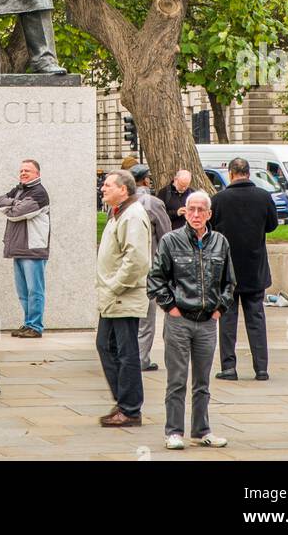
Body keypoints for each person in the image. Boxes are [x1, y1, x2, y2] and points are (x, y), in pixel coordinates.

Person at [147, 190, 235, 450]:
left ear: (209, 214)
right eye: (191, 209)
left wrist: (220, 308)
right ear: (185, 212)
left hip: (208, 321)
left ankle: (201, 430)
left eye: (201, 210)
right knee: (176, 379)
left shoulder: (220, 242)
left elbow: (229, 282)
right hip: (179, 320)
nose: (196, 214)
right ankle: (173, 431)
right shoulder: (170, 241)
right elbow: (156, 280)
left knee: (202, 381)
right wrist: (170, 307)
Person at [210, 157, 278, 381]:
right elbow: (272, 225)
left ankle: (229, 367)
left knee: (228, 320)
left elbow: (212, 230)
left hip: (228, 269)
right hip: (255, 266)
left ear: (231, 174)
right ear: (248, 173)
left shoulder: (219, 199)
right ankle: (261, 368)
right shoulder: (263, 197)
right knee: (256, 318)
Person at [95, 170, 151, 428]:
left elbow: (137, 259)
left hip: (122, 296)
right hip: (112, 297)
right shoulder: (118, 213)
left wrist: (116, 285)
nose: (103, 188)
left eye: (108, 185)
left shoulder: (133, 215)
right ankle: (124, 401)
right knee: (106, 345)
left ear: (124, 190)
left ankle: (130, 409)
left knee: (126, 352)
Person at [0, 158, 51, 337]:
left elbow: (16, 213)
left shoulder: (39, 193)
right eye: (21, 171)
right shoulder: (19, 190)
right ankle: (28, 323)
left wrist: (12, 205)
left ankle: (35, 327)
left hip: (33, 249)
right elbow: (0, 202)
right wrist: (13, 204)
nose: (23, 173)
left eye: (27, 170)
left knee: (35, 290)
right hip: (19, 248)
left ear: (38, 174)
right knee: (23, 292)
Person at [132, 163, 171, 372]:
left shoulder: (121, 202)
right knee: (147, 318)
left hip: (127, 268)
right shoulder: (154, 203)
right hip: (149, 265)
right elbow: (166, 235)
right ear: (146, 180)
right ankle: (141, 359)